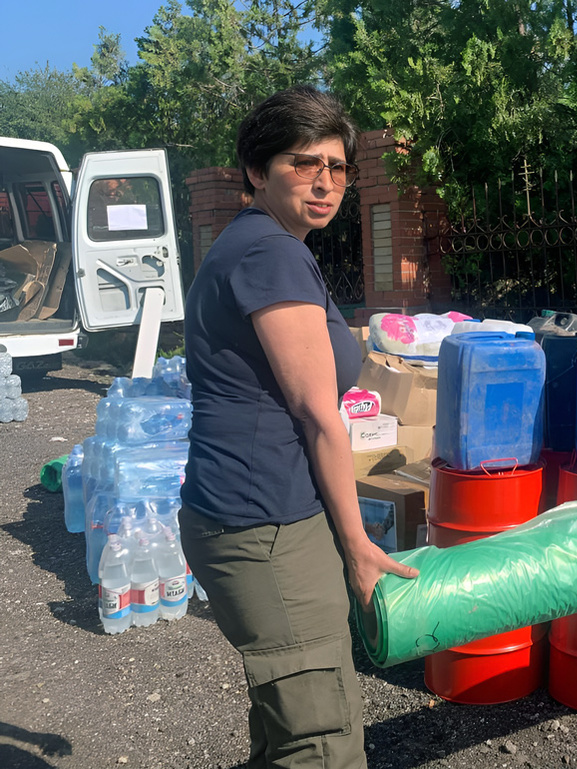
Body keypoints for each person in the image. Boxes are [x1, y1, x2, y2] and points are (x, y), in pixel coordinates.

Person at [179, 85, 418, 768]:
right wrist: (357, 546)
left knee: (288, 721)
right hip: (266, 524)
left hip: (253, 513)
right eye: (302, 161)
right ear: (257, 171)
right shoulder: (270, 254)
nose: (326, 181)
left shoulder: (267, 245)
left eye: (338, 167)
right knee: (321, 739)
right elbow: (318, 414)